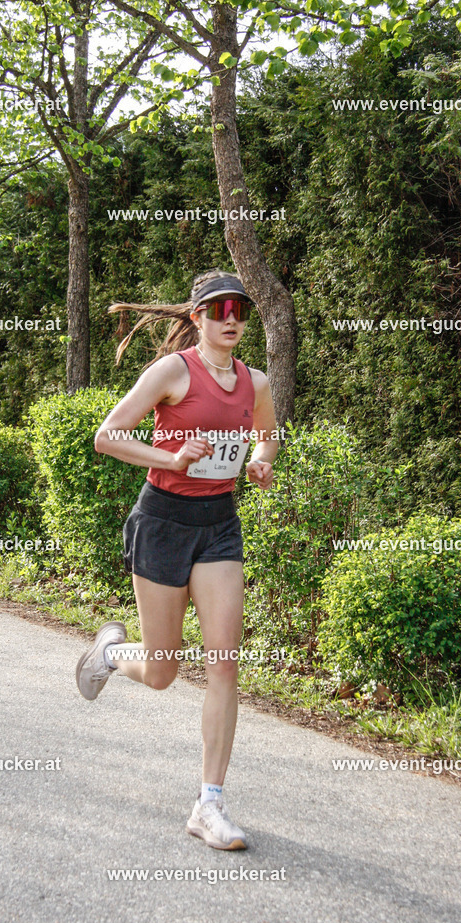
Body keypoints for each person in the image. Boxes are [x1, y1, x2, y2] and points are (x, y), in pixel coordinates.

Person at [75, 269, 279, 850]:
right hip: (162, 523)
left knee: (223, 662)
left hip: (219, 527)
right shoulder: (172, 372)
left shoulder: (256, 382)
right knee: (163, 670)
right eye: (218, 310)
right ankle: (112, 653)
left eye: (239, 308)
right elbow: (107, 435)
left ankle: (209, 804)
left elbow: (267, 435)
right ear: (197, 318)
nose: (232, 319)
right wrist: (168, 457)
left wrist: (261, 461)